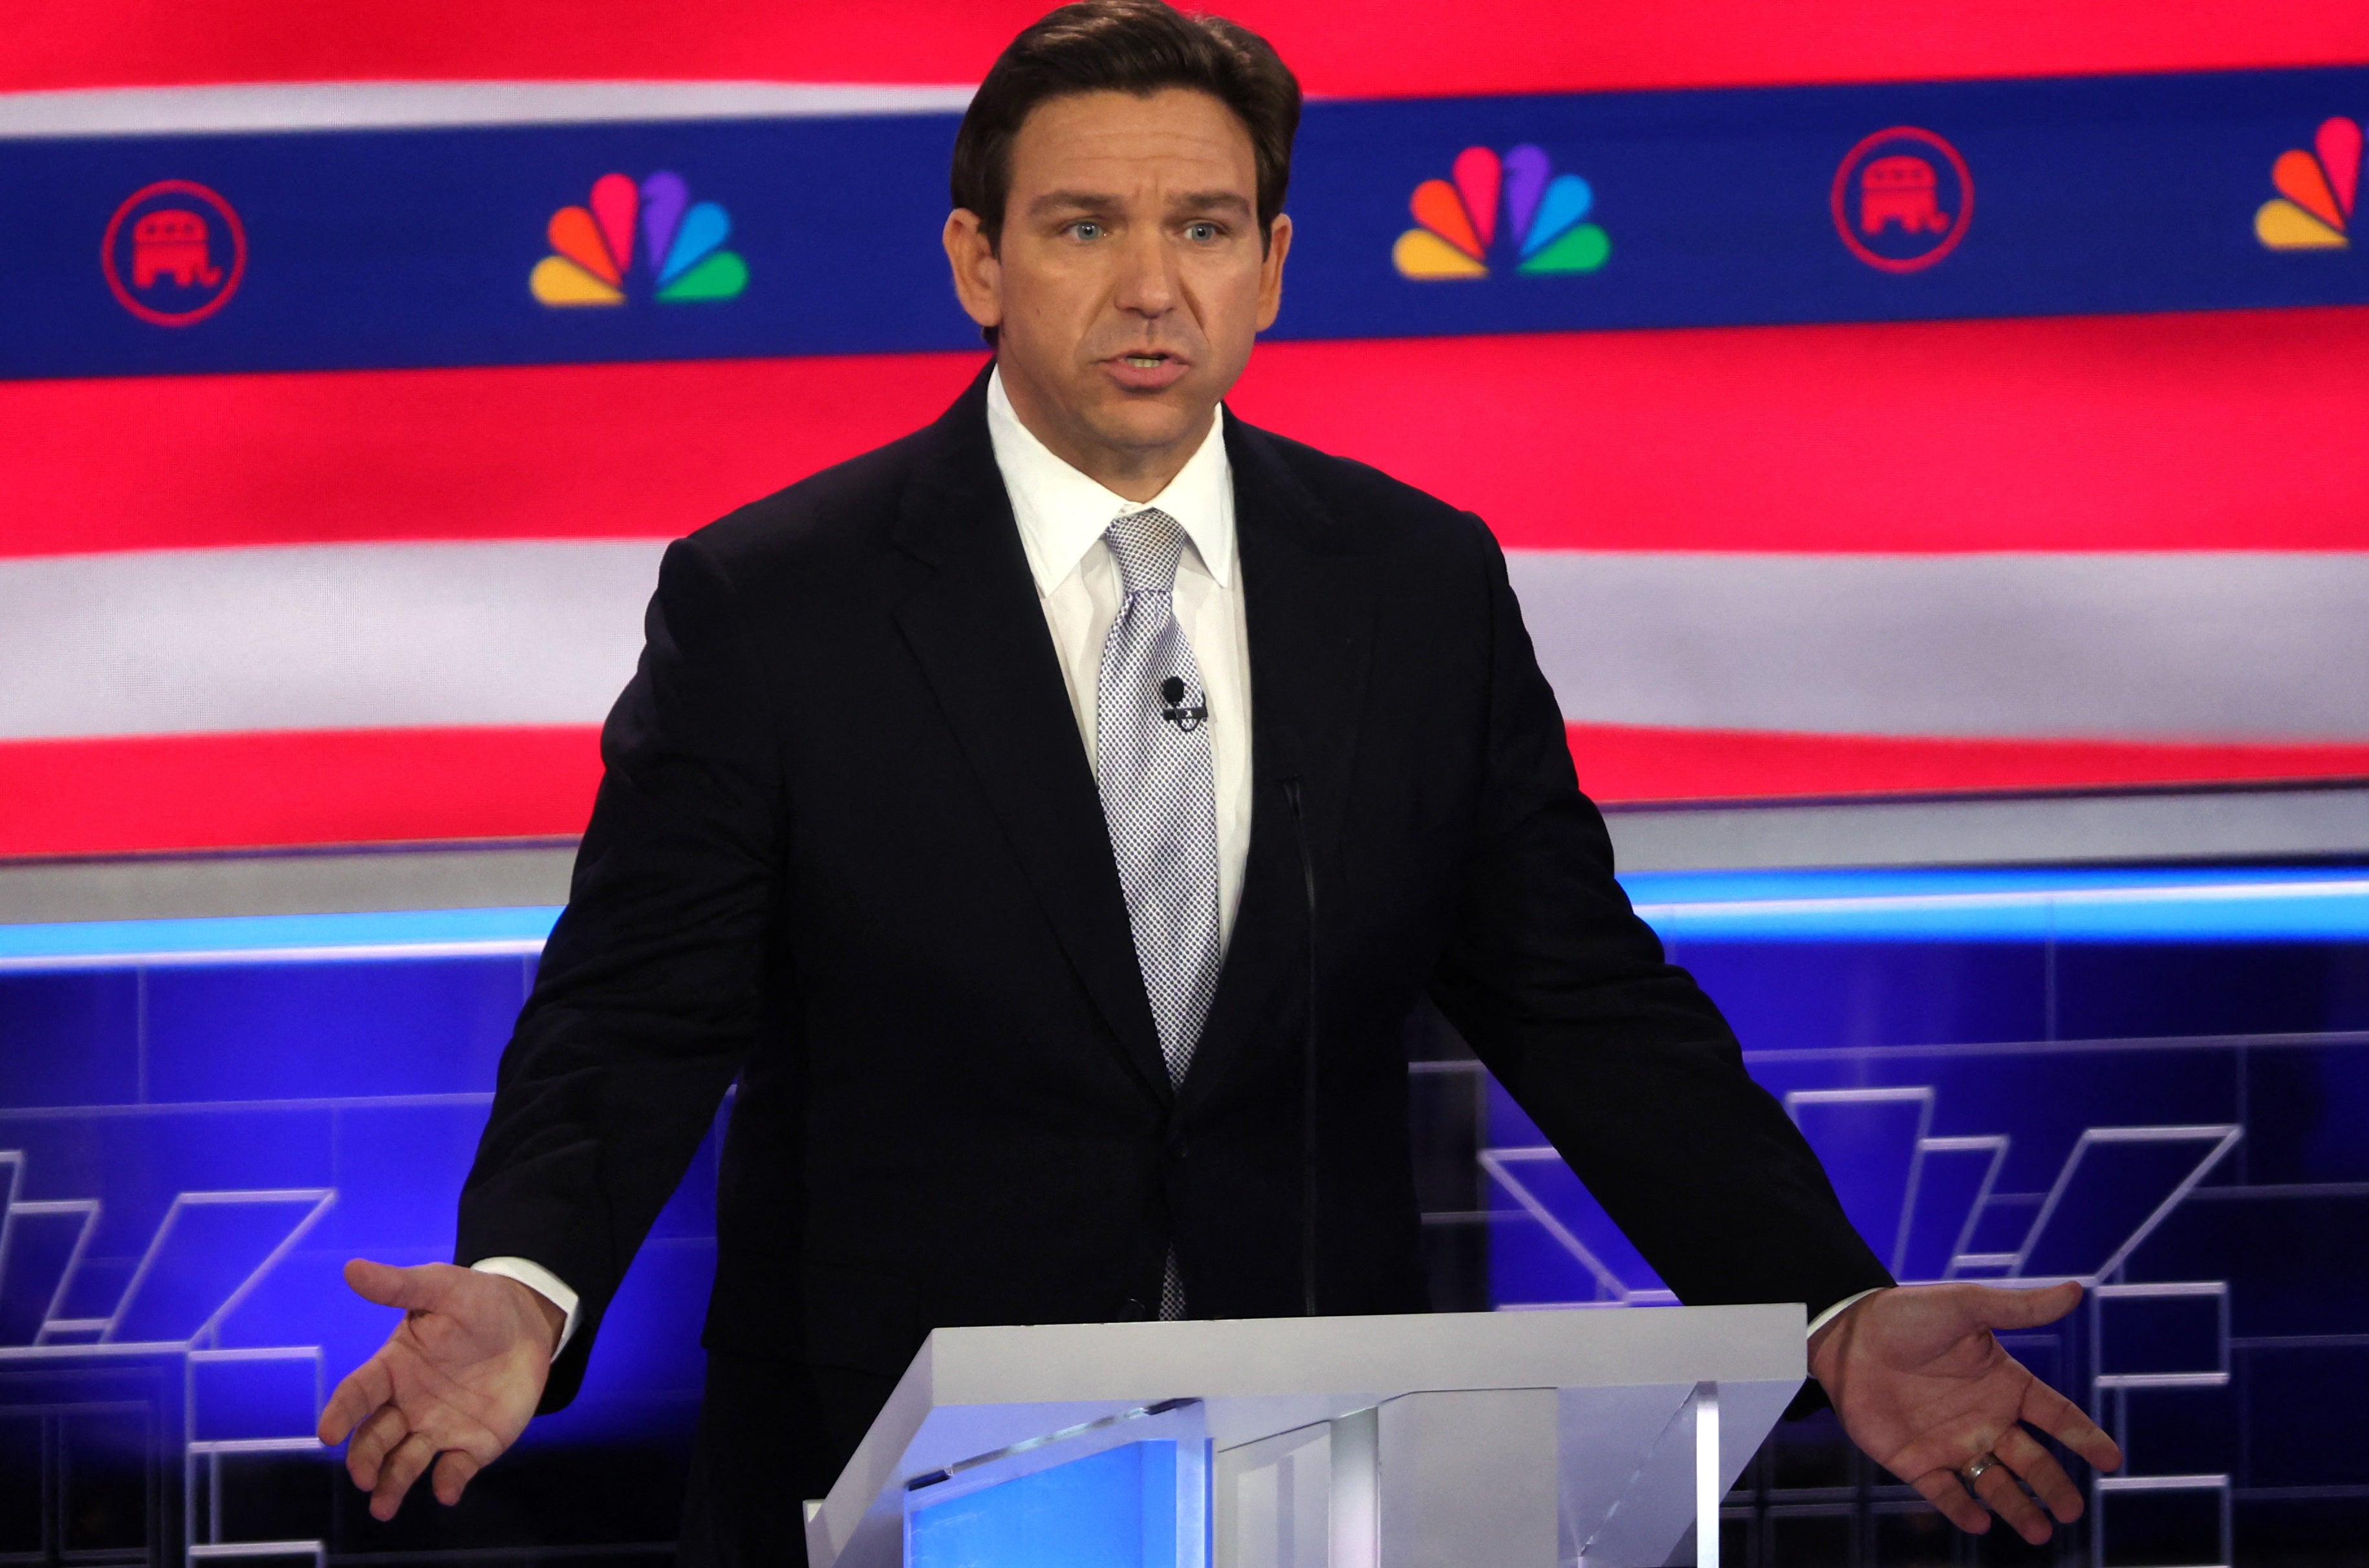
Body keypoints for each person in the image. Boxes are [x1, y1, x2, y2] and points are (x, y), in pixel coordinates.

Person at [316, 3, 2121, 1561]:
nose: (1151, 285)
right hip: (890, 1472)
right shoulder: (775, 601)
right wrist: (532, 1286)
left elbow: (1585, 999)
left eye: (1204, 225)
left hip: (1316, 1467)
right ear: (978, 261)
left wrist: (1829, 1297)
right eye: (1085, 224)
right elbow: (634, 1010)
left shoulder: (1414, 584)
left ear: (1269, 262)